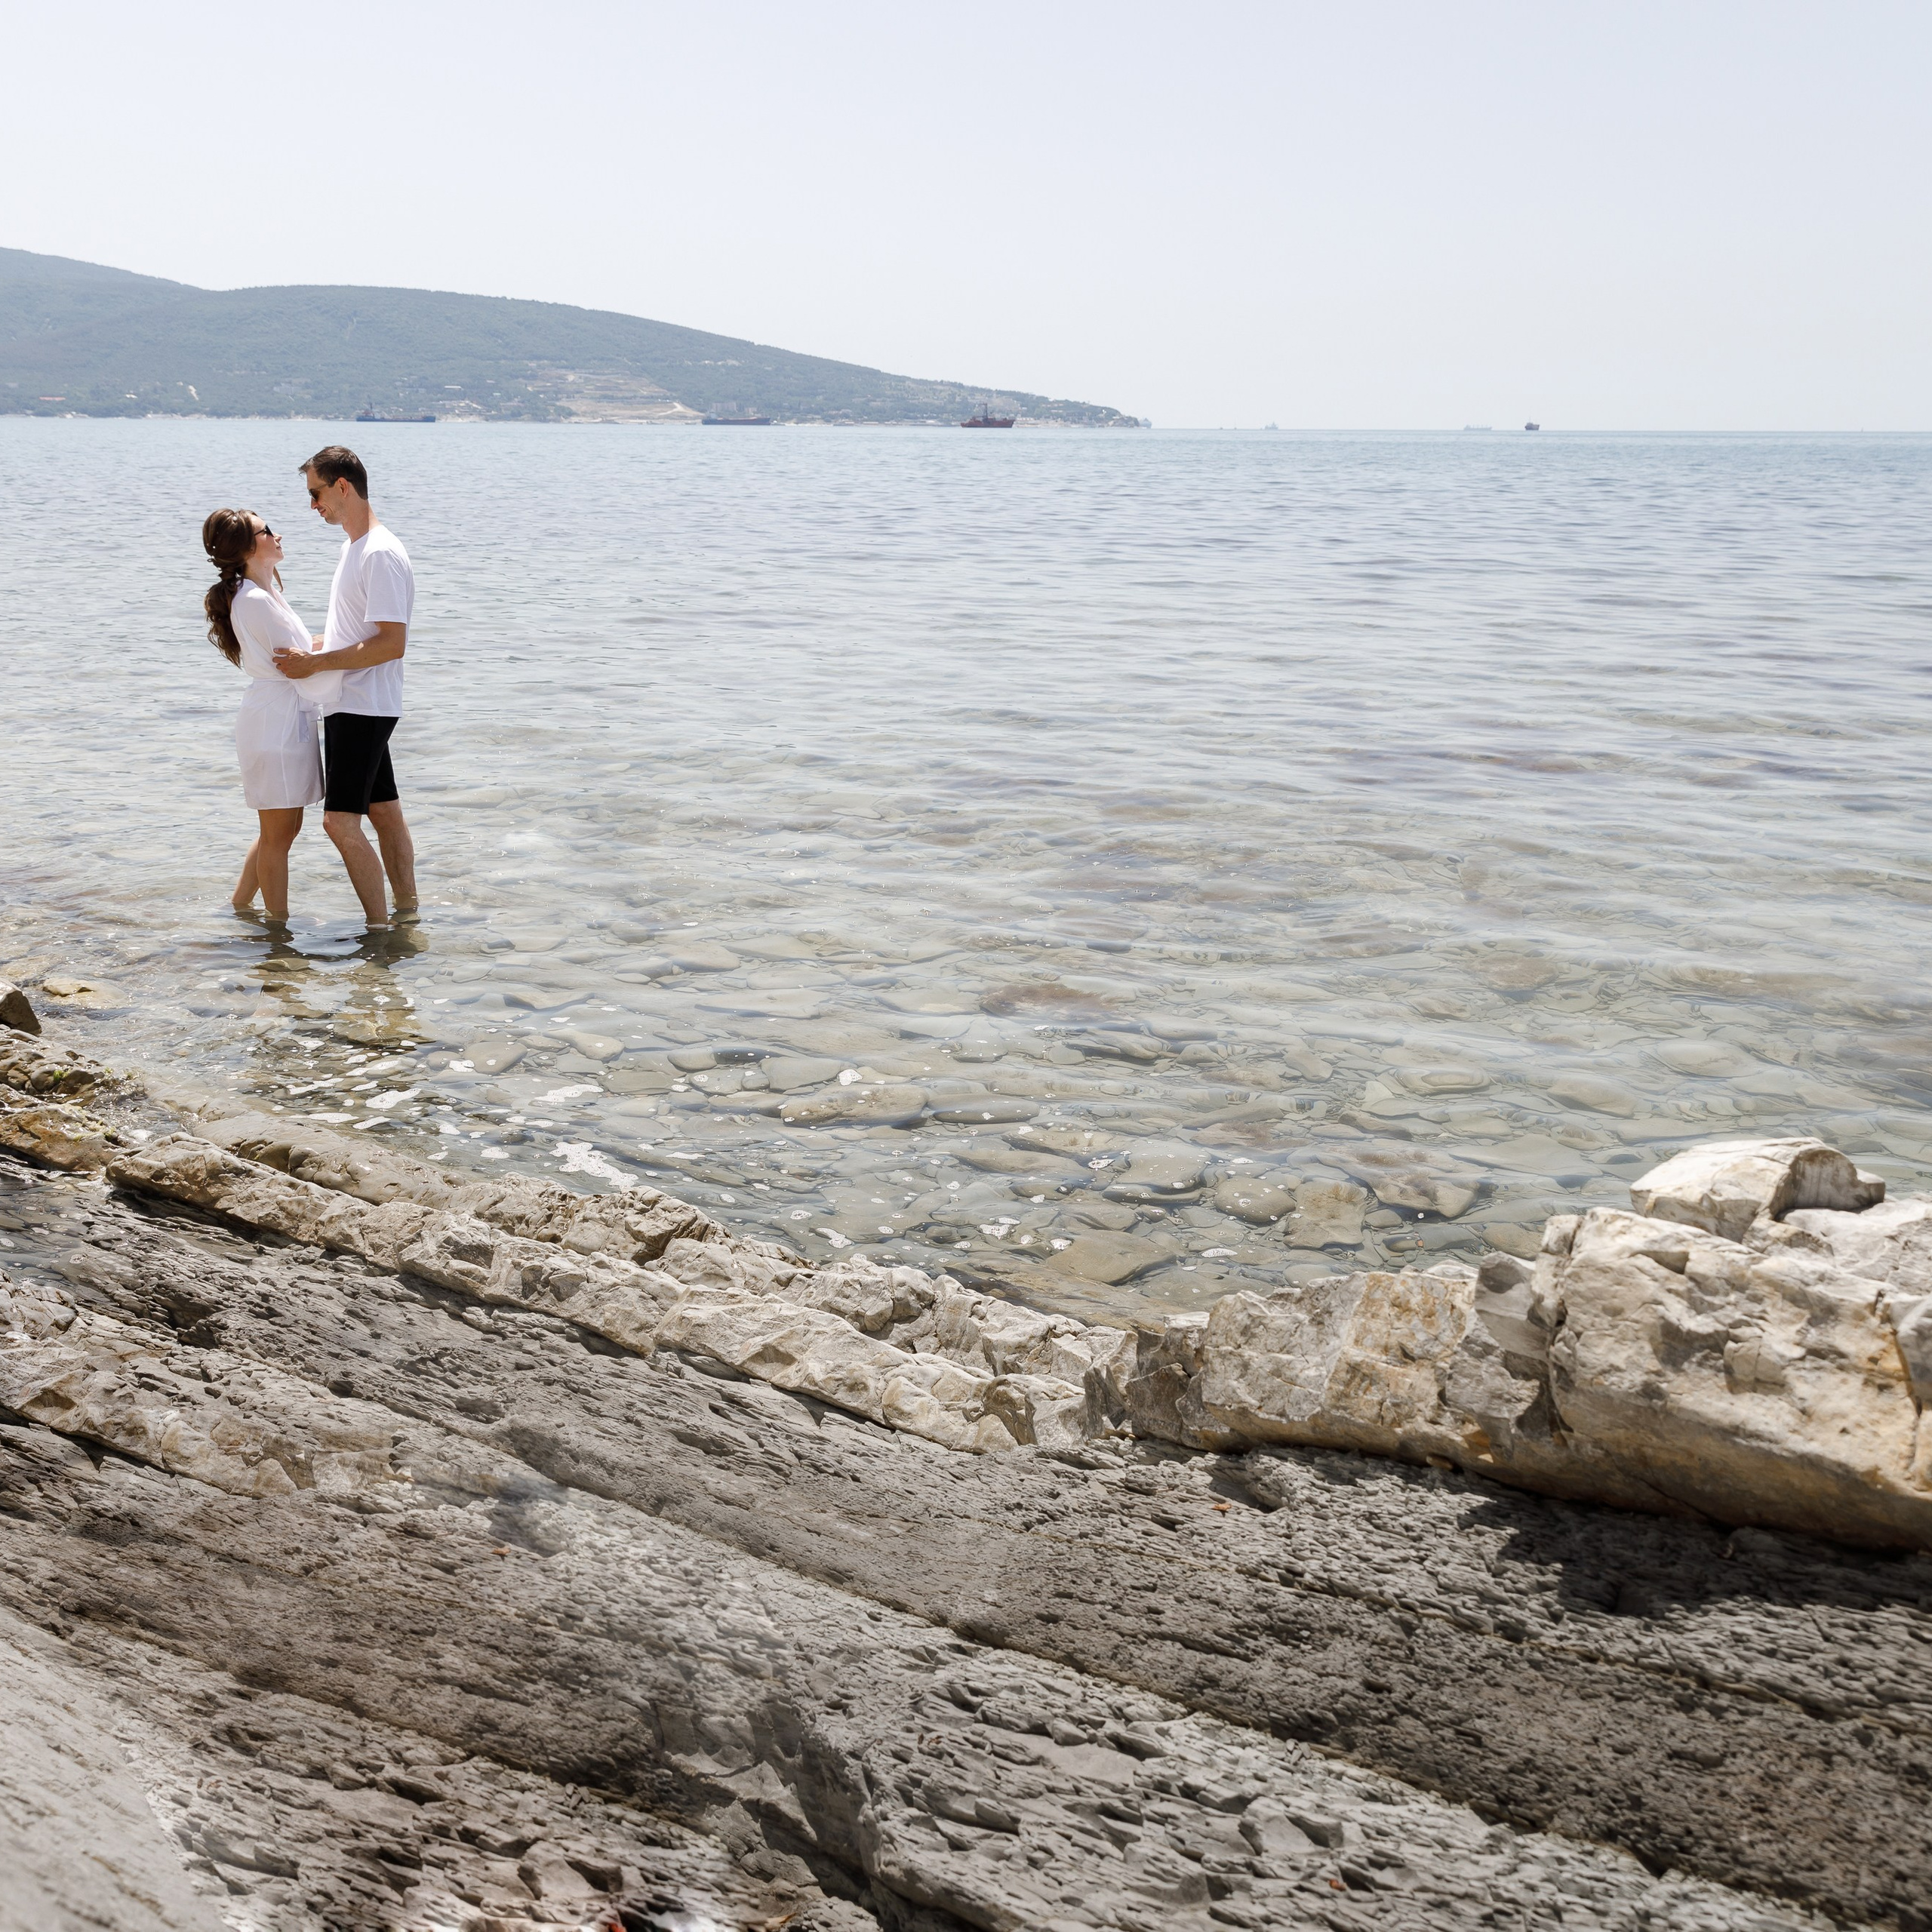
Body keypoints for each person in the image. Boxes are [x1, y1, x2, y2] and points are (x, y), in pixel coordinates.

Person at [274, 445, 419, 927]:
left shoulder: (379, 553)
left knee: (339, 823)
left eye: (315, 493)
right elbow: (357, 633)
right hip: (357, 701)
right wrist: (310, 647)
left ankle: (379, 934)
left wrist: (316, 665)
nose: (312, 505)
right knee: (385, 813)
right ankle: (407, 915)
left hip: (361, 704)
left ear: (342, 487)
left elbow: (391, 643)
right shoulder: (354, 548)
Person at [201, 508, 341, 921]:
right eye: (267, 531)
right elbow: (296, 663)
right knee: (278, 835)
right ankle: (278, 933)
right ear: (247, 547)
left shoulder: (261, 593)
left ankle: (240, 909)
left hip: (281, 715)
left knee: (280, 832)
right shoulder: (256, 599)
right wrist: (351, 659)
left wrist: (345, 644)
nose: (278, 534)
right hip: (274, 722)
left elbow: (301, 651)